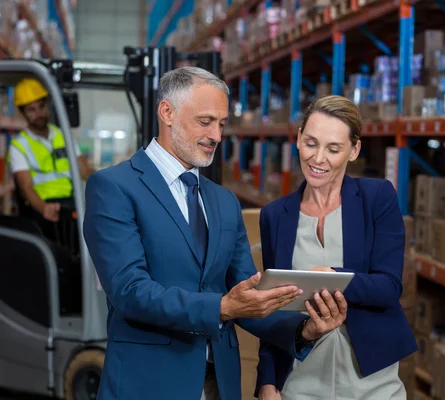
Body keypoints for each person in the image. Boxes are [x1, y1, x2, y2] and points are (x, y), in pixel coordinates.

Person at [82, 67, 348, 400]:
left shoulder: (223, 201)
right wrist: (222, 306)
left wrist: (304, 329)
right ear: (167, 112)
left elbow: (247, 297)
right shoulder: (114, 187)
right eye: (205, 121)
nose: (217, 136)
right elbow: (130, 292)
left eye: (221, 124)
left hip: (219, 384)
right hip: (149, 382)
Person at [255, 95, 418, 400]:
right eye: (311, 143)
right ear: (299, 138)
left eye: (333, 148)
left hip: (372, 386)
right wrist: (267, 383)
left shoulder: (377, 198)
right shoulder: (275, 216)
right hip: (300, 384)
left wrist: (332, 276)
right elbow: (271, 309)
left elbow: (388, 287)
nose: (318, 159)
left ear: (353, 150)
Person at [7, 78, 95, 227]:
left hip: (70, 204)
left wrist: (111, 183)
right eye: (31, 110)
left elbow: (85, 170)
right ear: (22, 112)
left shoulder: (64, 136)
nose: (38, 113)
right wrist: (43, 208)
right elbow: (26, 187)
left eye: (41, 106)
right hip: (41, 209)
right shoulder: (19, 146)